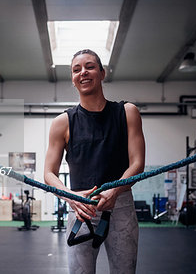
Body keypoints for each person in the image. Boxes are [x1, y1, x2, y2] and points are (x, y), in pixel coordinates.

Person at [44, 49, 145, 273]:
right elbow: (49, 173)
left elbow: (137, 164)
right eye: (76, 69)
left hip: (121, 205)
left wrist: (115, 191)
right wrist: (70, 198)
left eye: (89, 67)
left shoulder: (128, 112)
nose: (83, 73)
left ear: (102, 72)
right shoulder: (62, 123)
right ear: (72, 79)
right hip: (81, 207)